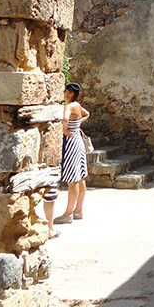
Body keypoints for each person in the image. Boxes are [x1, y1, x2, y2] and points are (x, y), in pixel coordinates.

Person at [55, 82, 90, 224]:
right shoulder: (78, 106)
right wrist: (78, 124)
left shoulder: (69, 106)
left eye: (65, 91)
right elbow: (87, 114)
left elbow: (64, 118)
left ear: (69, 93)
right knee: (80, 177)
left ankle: (68, 214)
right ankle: (78, 211)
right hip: (78, 140)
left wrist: (64, 130)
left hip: (70, 142)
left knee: (72, 179)